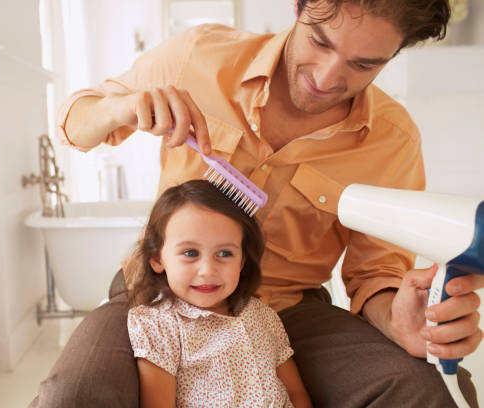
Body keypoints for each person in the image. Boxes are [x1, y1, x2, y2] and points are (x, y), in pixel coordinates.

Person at [30, 0, 483, 406]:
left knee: (430, 390)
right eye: (319, 42)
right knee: (73, 396)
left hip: (289, 310)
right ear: (299, 6)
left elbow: (374, 274)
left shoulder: (391, 139)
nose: (327, 78)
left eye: (363, 64)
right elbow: (75, 120)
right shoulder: (198, 56)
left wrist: (400, 322)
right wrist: (120, 108)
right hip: (156, 295)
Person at [126, 179, 312, 408]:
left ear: (242, 261)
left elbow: (296, 392)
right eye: (190, 252)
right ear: (157, 259)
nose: (207, 271)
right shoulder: (159, 326)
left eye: (224, 253)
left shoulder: (262, 316)